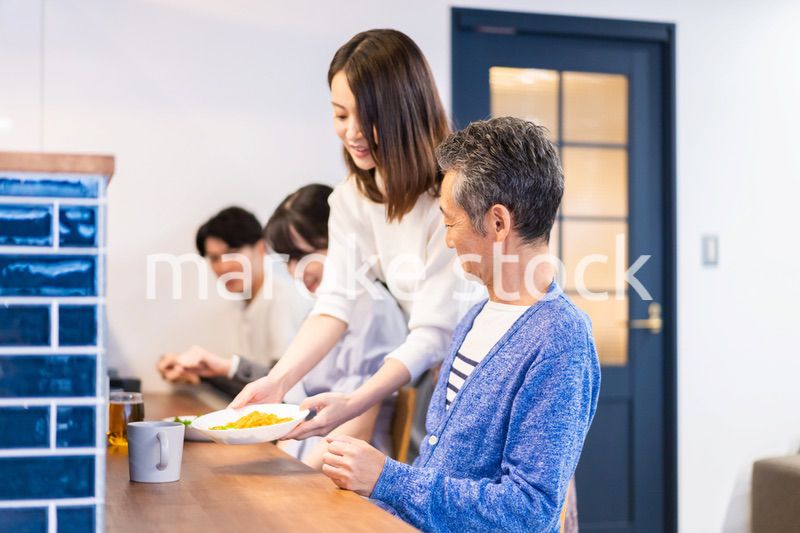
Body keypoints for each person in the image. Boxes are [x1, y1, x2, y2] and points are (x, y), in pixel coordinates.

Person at [317, 117, 601, 532]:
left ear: (498, 223)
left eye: (450, 223)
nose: (447, 240)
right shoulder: (473, 317)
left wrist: (386, 478)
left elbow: (527, 510)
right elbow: (437, 464)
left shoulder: (561, 340)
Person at [230, 30, 479, 441]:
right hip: (442, 368)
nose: (352, 132)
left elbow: (434, 332)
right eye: (341, 115)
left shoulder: (450, 195)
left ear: (407, 110)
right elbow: (333, 305)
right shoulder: (351, 198)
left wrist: (357, 400)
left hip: (491, 365)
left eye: (368, 116)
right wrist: (275, 382)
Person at [161, 186, 409, 468]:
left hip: (343, 471)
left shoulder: (372, 307)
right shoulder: (323, 309)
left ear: (341, 240)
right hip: (309, 461)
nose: (295, 271)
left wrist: (299, 479)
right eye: (288, 258)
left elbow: (357, 424)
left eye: (303, 254)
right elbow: (293, 409)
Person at [156, 206, 312, 398]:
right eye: (214, 258)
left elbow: (281, 386)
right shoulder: (243, 302)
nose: (224, 266)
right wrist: (197, 372)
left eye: (233, 252)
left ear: (261, 248)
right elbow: (253, 386)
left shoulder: (283, 298)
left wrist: (209, 371)